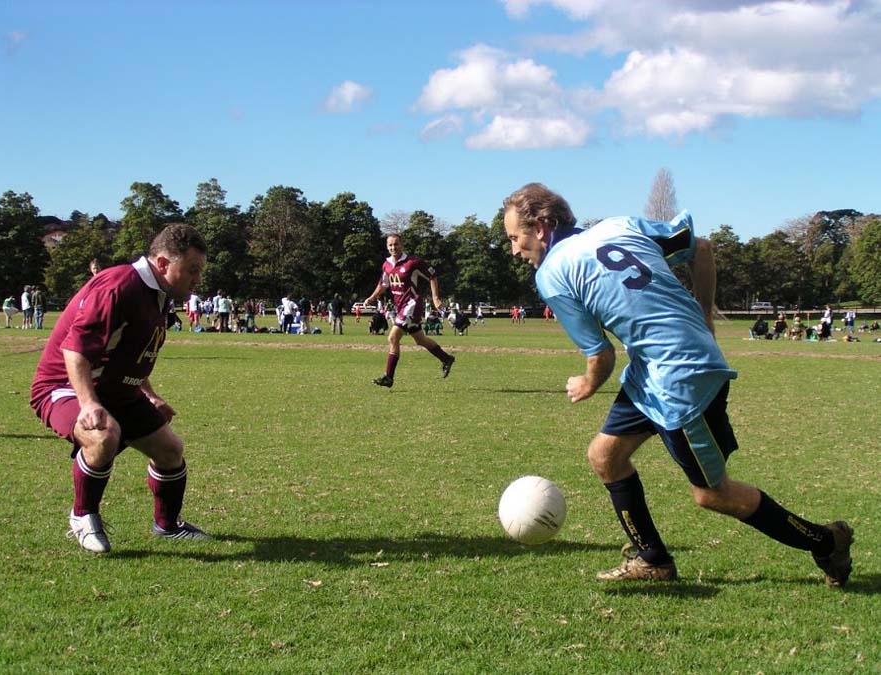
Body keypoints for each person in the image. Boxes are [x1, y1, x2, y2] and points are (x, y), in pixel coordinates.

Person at [501, 182, 852, 586]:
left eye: (514, 238)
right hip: (653, 369)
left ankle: (826, 541)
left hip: (680, 378)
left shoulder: (553, 275)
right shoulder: (619, 226)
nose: (514, 250)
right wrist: (705, 315)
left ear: (540, 228)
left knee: (712, 494)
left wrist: (586, 383)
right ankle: (653, 560)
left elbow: (600, 356)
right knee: (605, 457)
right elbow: (700, 248)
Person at [30, 223, 210, 553]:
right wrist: (88, 403)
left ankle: (168, 526)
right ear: (162, 264)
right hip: (65, 385)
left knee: (170, 450)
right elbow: (74, 349)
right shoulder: (119, 286)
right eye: (192, 270)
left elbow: (131, 354)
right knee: (103, 435)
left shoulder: (159, 293)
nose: (197, 279)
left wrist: (149, 395)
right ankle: (83, 515)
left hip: (116, 389)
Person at [363, 233, 455, 387]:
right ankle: (446, 358)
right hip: (401, 307)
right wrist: (372, 297)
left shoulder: (413, 262)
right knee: (420, 339)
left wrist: (435, 298)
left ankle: (388, 377)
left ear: (402, 245)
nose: (393, 247)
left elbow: (432, 275)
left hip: (412, 304)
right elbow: (383, 284)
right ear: (387, 247)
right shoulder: (387, 264)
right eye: (390, 245)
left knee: (393, 338)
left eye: (396, 244)